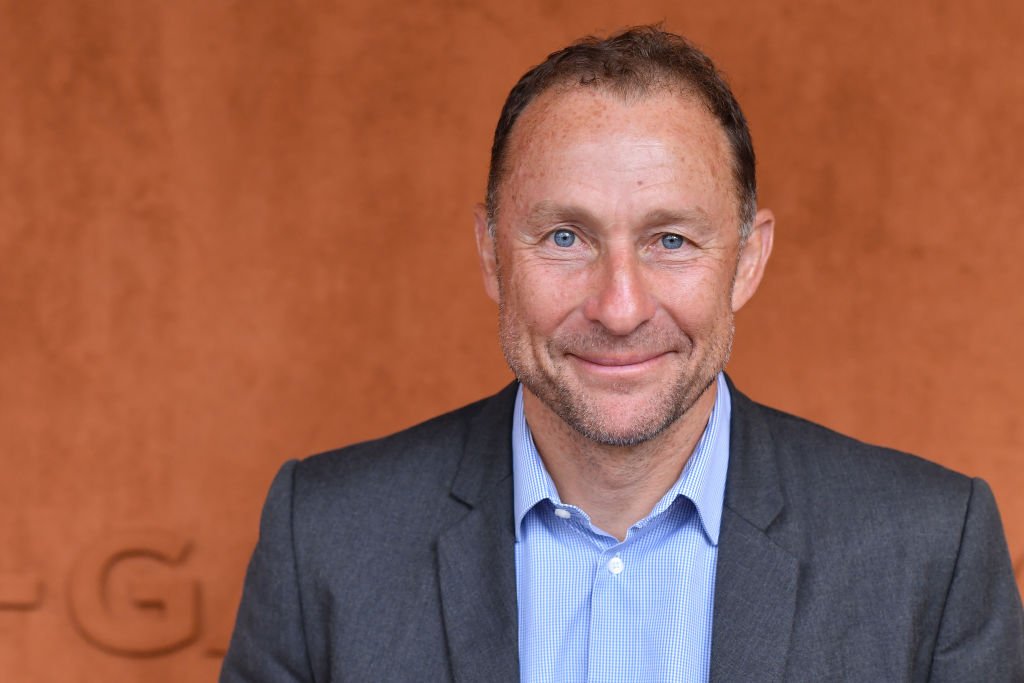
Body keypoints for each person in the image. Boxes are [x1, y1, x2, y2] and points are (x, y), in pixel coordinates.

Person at [220, 26, 1024, 682]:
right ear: (492, 252)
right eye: (565, 236)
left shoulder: (928, 550)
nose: (620, 306)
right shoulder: (324, 538)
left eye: (670, 239)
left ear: (747, 261)